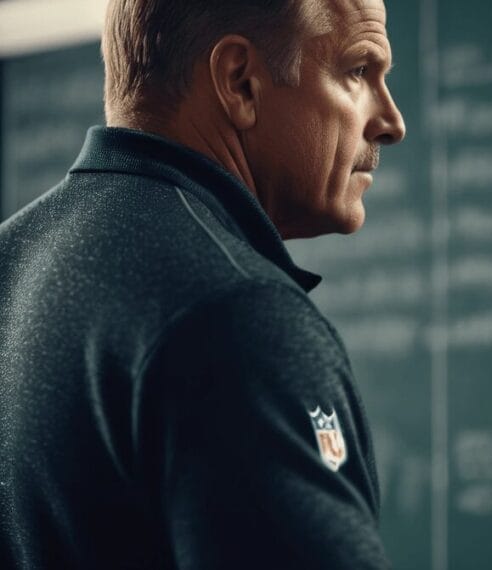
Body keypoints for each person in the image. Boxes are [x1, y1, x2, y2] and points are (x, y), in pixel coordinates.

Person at [0, 0, 405, 567]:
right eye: (358, 72)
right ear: (240, 82)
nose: (392, 122)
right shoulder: (238, 319)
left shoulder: (9, 259)